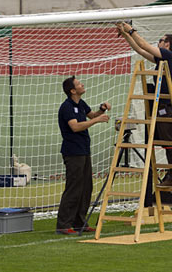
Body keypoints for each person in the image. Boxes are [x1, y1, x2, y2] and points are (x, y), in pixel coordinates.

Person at [116, 22, 172, 193]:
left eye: (161, 41)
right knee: (166, 144)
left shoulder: (169, 56)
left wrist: (131, 30)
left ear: (167, 45)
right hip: (163, 106)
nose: (158, 43)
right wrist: (126, 36)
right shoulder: (163, 59)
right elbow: (140, 50)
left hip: (170, 106)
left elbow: (143, 44)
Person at [56, 76, 111, 235]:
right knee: (74, 188)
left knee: (86, 187)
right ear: (73, 90)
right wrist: (98, 120)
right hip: (73, 152)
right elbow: (75, 127)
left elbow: (92, 115)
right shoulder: (66, 107)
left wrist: (101, 110)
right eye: (79, 84)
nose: (82, 84)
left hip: (84, 150)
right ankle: (63, 225)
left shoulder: (81, 104)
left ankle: (80, 222)